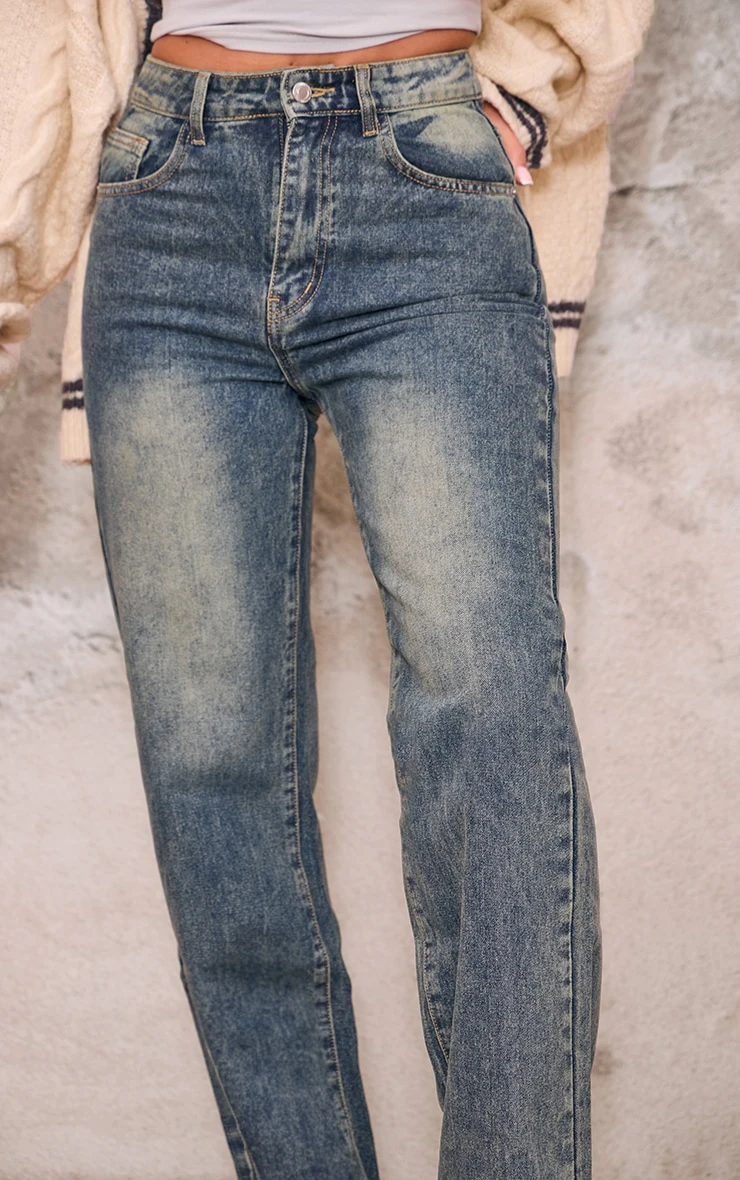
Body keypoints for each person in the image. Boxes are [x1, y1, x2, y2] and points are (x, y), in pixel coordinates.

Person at [0, 2, 654, 1177]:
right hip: (171, 181)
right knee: (211, 762)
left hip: (421, 164)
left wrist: (519, 85)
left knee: (491, 712)